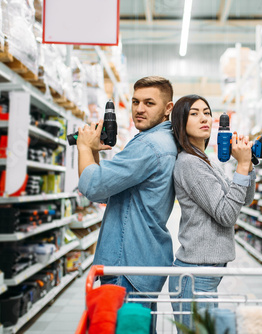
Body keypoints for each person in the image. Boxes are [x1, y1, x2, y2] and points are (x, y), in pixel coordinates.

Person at [76, 76, 177, 308]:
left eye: (149, 103)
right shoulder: (164, 140)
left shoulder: (148, 146)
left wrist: (83, 147)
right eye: (135, 102)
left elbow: (92, 187)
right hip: (144, 259)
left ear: (168, 108)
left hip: (128, 263)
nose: (139, 109)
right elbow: (106, 193)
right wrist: (94, 152)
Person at [168, 94, 256, 327]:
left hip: (206, 273)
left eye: (207, 112)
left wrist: (247, 164)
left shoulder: (207, 159)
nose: (204, 118)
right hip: (195, 274)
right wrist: (243, 166)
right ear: (181, 123)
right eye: (194, 114)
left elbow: (245, 198)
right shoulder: (189, 163)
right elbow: (227, 215)